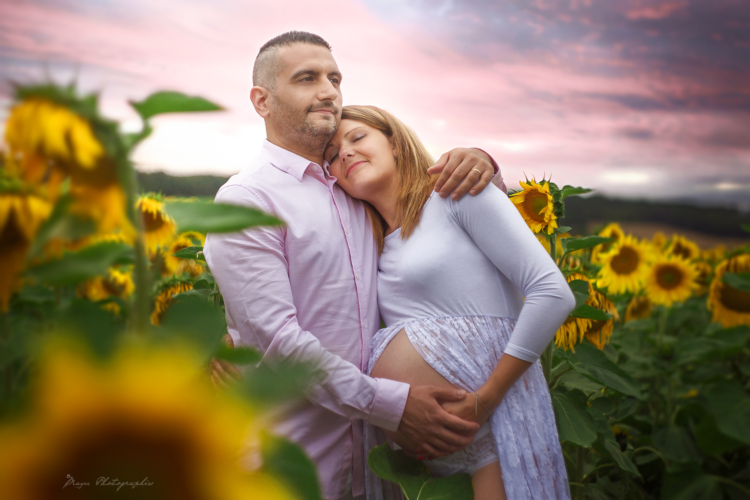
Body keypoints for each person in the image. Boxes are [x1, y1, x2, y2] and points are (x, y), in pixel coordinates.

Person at [204, 31, 506, 500]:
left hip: (381, 467)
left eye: (334, 78)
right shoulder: (245, 201)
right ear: (261, 101)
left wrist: (480, 160)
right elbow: (279, 341)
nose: (328, 91)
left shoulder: (355, 190)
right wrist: (395, 406)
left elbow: (438, 247)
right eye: (307, 78)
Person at [322, 105, 576, 500]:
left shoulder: (456, 198)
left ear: (396, 143)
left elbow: (552, 293)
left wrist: (486, 399)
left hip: (487, 436)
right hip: (418, 460)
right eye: (333, 155)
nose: (346, 154)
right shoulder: (368, 244)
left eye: (357, 138)